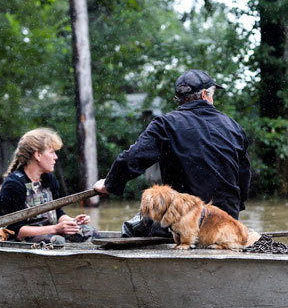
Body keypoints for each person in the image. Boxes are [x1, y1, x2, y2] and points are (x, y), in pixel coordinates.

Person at [93, 69, 251, 236]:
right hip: (227, 224)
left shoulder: (165, 124)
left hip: (184, 223)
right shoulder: (234, 127)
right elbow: (244, 179)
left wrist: (109, 183)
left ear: (179, 100)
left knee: (131, 228)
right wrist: (234, 208)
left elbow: (133, 157)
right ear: (205, 95)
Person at [0, 128, 94, 245]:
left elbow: (57, 213)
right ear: (38, 155)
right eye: (52, 152)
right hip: (23, 240)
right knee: (58, 241)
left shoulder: (49, 178)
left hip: (50, 232)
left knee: (89, 231)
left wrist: (73, 222)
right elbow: (14, 230)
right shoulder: (13, 185)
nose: (55, 157)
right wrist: (55, 229)